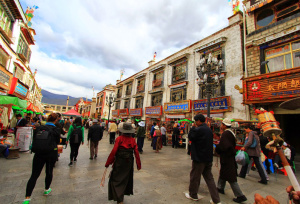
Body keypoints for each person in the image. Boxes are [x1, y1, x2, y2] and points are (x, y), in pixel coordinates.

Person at [22, 113, 60, 204]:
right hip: (51, 153)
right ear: (56, 120)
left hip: (38, 154)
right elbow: (58, 141)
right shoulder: (56, 129)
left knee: (34, 175)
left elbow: (34, 139)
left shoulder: (39, 128)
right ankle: (46, 189)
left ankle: (27, 197)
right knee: (49, 171)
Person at [185, 114, 221, 204]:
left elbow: (190, 136)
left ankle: (193, 194)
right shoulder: (208, 129)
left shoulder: (198, 129)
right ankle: (216, 199)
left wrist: (192, 128)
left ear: (198, 121)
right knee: (209, 178)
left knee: (195, 177)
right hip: (208, 158)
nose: (195, 123)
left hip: (199, 158)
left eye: (195, 121)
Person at [105, 122, 141, 204]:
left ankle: (119, 198)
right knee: (125, 179)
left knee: (115, 179)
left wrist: (108, 162)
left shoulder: (119, 139)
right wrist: (138, 164)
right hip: (128, 162)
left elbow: (114, 151)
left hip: (119, 162)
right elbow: (136, 152)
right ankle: (120, 197)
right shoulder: (132, 140)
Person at [215, 118, 247, 203]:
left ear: (224, 125)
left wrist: (218, 147)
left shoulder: (226, 134)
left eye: (222, 124)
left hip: (227, 158)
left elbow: (225, 146)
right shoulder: (230, 133)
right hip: (227, 158)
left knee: (231, 177)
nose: (221, 125)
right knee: (223, 173)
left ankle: (240, 195)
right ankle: (220, 187)